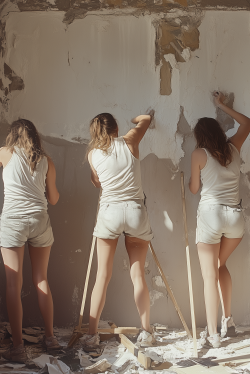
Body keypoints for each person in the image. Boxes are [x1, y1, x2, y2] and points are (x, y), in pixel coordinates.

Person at [0, 119, 62, 362]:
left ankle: (18, 347)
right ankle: (50, 338)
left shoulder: (5, 153)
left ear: (13, 136)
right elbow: (54, 199)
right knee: (42, 279)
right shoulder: (46, 162)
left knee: (14, 284)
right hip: (40, 221)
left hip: (14, 222)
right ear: (35, 137)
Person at [81, 112, 154, 350]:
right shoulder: (130, 140)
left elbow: (97, 183)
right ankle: (146, 331)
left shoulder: (93, 155)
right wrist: (139, 118)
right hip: (135, 211)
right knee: (138, 275)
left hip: (110, 212)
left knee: (102, 275)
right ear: (116, 128)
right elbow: (145, 120)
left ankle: (91, 335)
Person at [189, 92, 250, 348]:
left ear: (200, 136)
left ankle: (213, 334)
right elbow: (248, 123)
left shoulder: (198, 154)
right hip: (235, 218)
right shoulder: (233, 147)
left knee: (209, 276)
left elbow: (195, 189)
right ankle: (228, 320)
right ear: (217, 131)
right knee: (220, 266)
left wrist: (191, 180)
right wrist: (222, 106)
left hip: (211, 216)